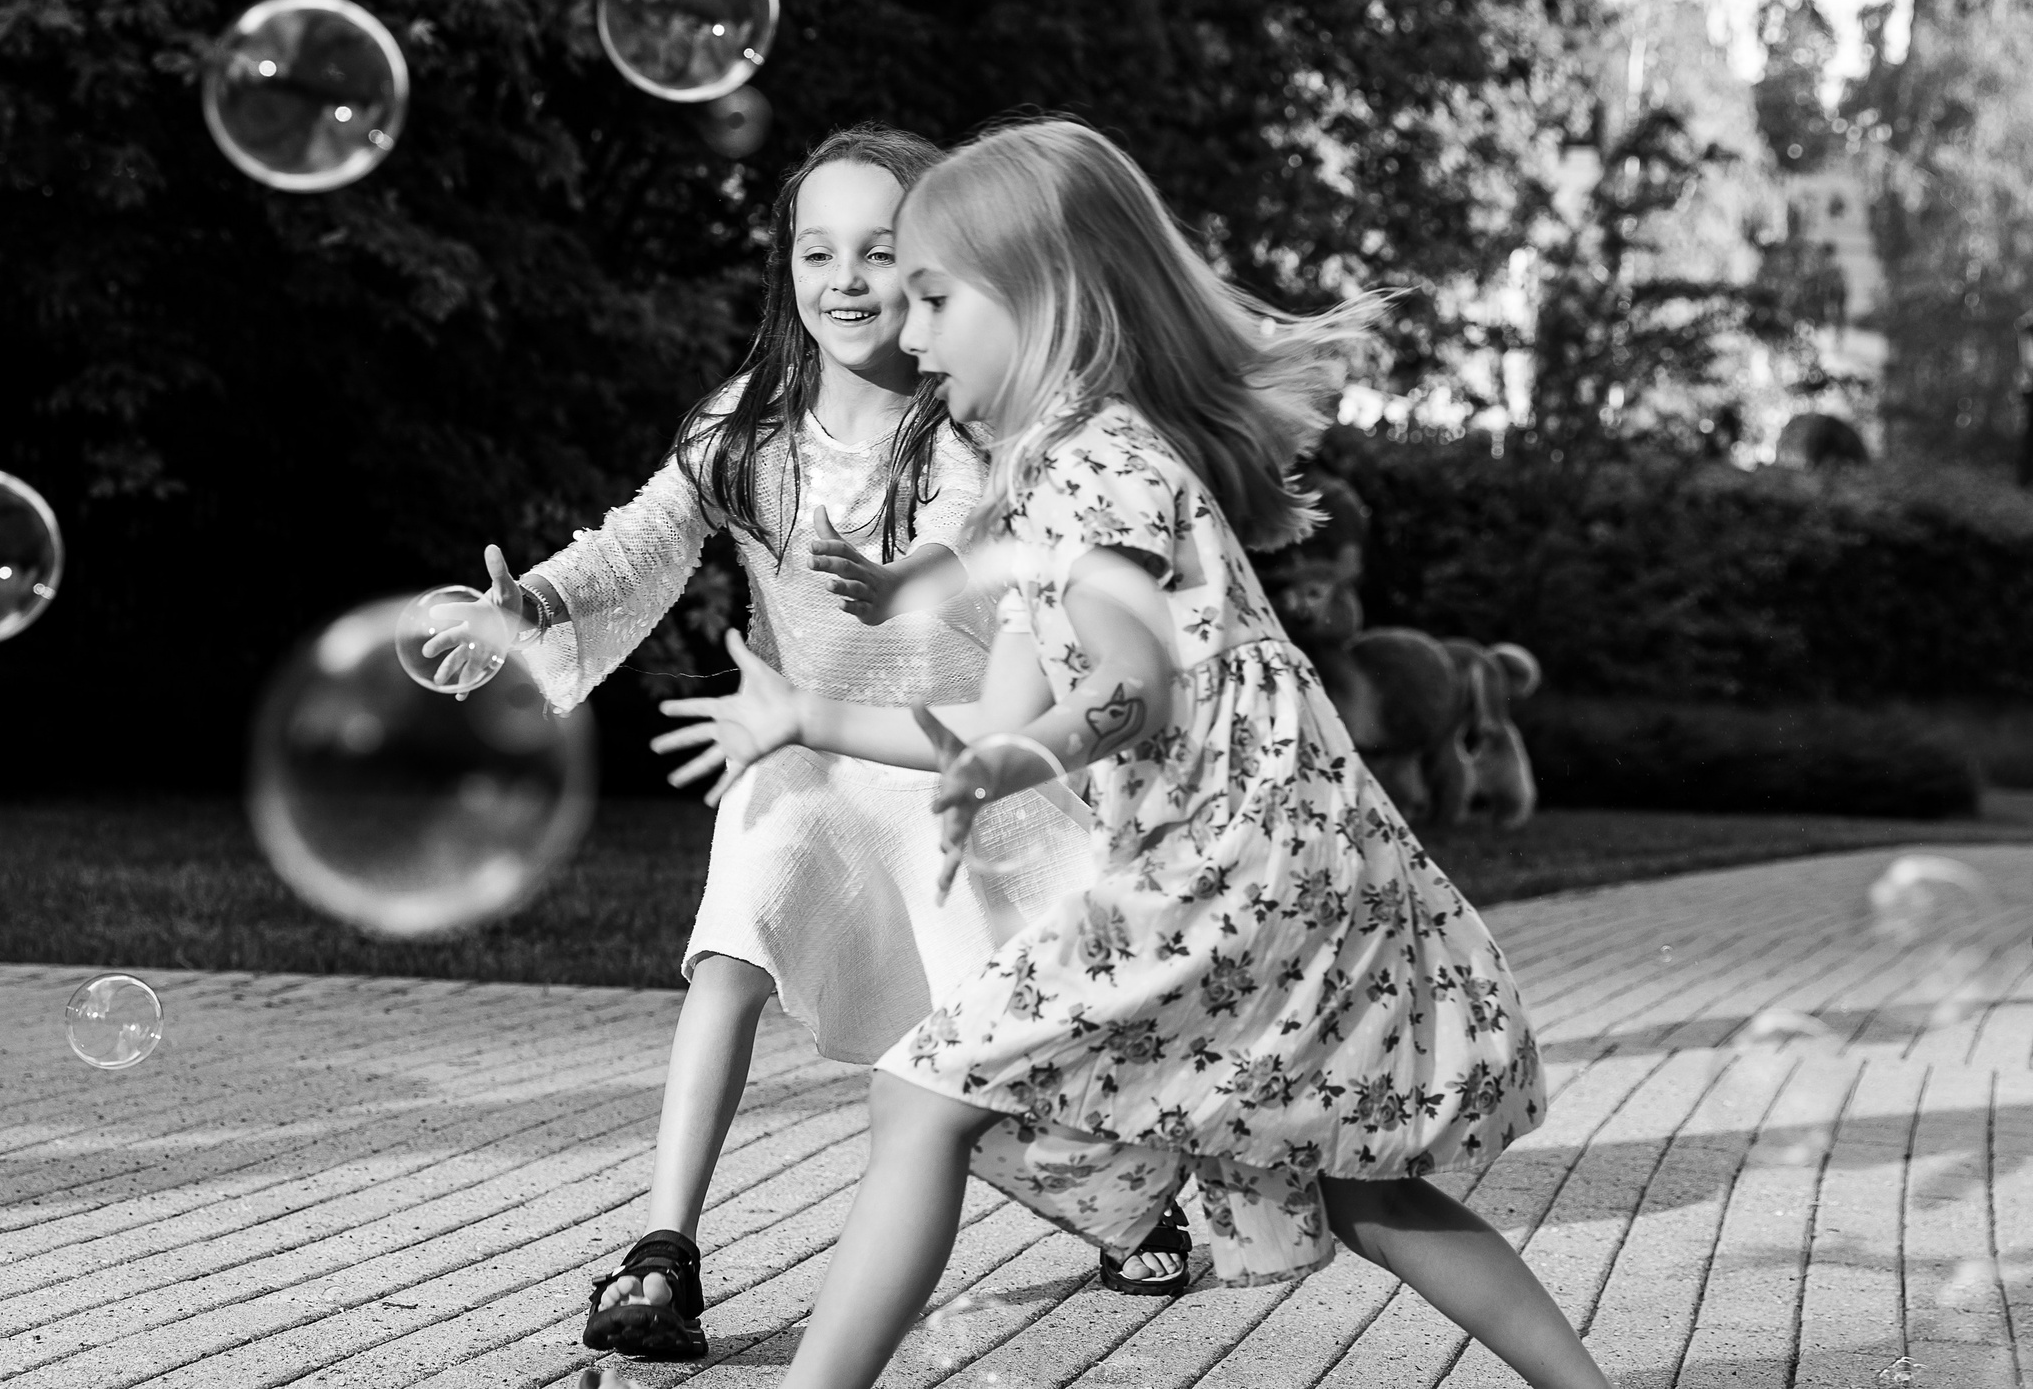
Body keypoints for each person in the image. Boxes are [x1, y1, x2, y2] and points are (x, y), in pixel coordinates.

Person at [653, 119, 1610, 1389]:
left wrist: (1024, 751)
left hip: (1230, 861)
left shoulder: (1094, 466)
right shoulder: (1051, 465)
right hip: (1272, 858)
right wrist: (808, 718)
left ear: (1037, 299)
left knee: (924, 1096)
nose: (915, 336)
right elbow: (999, 719)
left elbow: (1130, 687)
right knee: (1345, 1180)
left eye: (936, 298)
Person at [422, 125, 1187, 1365]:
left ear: (939, 263)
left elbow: (1013, 611)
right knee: (729, 943)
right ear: (784, 264)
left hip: (966, 778)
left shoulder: (986, 426)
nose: (843, 279)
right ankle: (660, 1256)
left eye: (879, 253)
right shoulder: (747, 428)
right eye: (814, 249)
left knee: (983, 1061)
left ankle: (1128, 1195)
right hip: (806, 755)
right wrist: (528, 608)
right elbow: (639, 543)